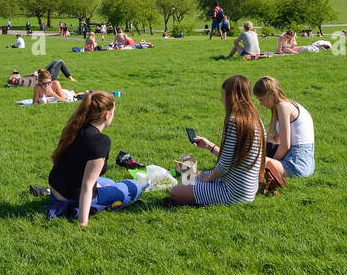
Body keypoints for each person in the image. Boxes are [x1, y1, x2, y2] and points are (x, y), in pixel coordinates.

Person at [30, 91, 141, 225]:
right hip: (71, 198)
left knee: (110, 182)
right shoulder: (101, 141)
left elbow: (77, 168)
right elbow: (87, 186)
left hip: (56, 191)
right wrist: (83, 223)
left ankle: (48, 193)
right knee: (134, 186)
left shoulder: (76, 128)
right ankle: (87, 206)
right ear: (107, 115)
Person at [168, 75, 266, 206]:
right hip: (247, 189)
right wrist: (209, 146)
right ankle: (192, 181)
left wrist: (209, 178)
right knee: (193, 176)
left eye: (223, 95)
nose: (222, 100)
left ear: (231, 97)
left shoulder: (234, 122)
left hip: (232, 192)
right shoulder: (256, 121)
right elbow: (234, 158)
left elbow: (224, 164)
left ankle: (191, 184)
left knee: (175, 192)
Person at [254, 76, 315, 178]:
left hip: (296, 162)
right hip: (304, 161)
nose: (261, 104)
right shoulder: (288, 105)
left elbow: (285, 145)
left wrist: (271, 166)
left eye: (262, 99)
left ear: (272, 94)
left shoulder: (283, 107)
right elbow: (276, 140)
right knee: (254, 155)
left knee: (250, 160)